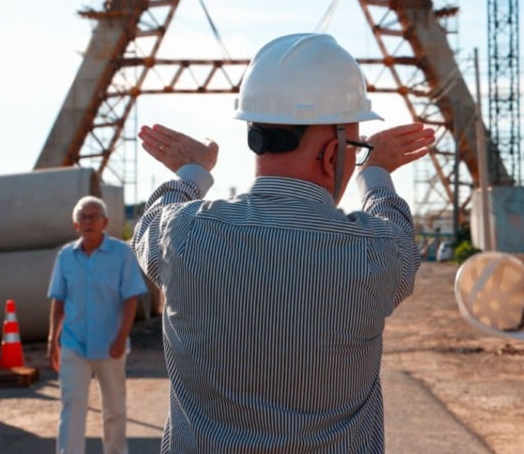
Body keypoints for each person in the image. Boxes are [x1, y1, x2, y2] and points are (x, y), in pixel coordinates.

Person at [131, 32, 435, 452]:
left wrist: (192, 171)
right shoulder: (376, 251)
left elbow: (148, 224)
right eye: (357, 151)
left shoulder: (183, 233)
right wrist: (377, 171)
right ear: (333, 156)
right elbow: (398, 231)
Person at [47, 195, 149, 454]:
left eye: (94, 217)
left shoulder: (122, 254)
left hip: (110, 344)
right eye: (83, 216)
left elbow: (131, 299)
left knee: (114, 407)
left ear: (106, 222)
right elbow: (58, 300)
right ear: (75, 224)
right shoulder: (66, 257)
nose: (88, 221)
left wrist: (121, 336)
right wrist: (52, 341)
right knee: (72, 405)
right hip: (74, 342)